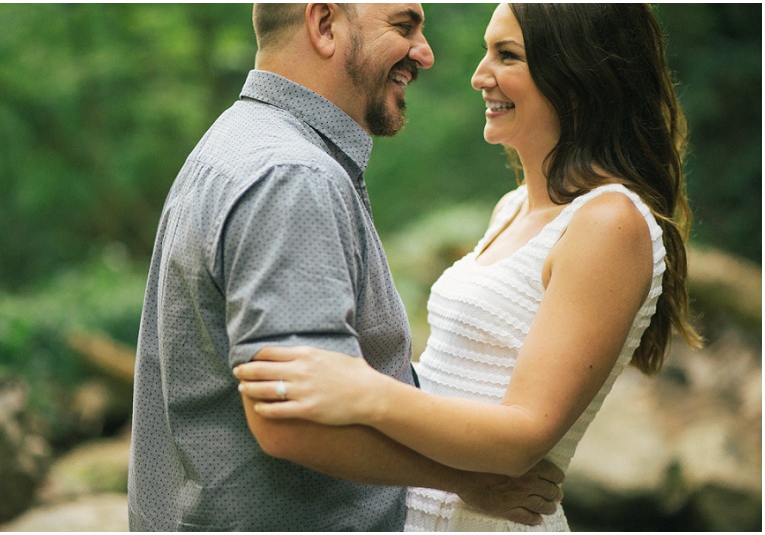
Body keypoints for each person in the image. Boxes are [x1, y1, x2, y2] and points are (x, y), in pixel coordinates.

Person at [234, 3, 704, 531]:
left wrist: (363, 391)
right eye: (487, 52)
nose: (480, 76)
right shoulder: (514, 207)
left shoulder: (609, 222)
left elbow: (523, 436)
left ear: (579, 73)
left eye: (508, 56)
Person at [127, 3, 565, 532]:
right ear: (324, 24)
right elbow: (293, 419)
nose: (424, 53)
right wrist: (466, 478)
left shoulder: (237, 141)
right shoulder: (293, 177)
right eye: (404, 27)